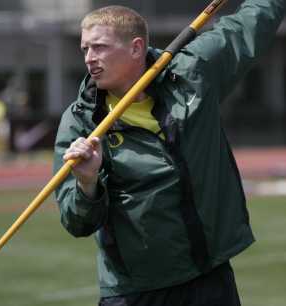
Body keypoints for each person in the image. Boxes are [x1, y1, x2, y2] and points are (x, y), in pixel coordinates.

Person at [53, 1, 285, 305]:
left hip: (208, 275)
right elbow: (76, 223)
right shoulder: (81, 121)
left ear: (136, 48)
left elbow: (255, 20)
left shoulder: (192, 74)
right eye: (85, 49)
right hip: (135, 289)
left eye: (99, 47)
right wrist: (87, 183)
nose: (89, 58)